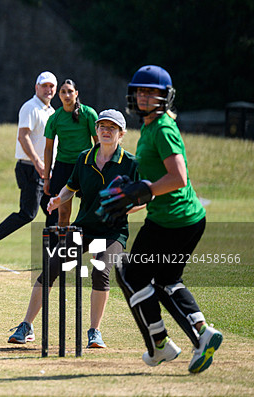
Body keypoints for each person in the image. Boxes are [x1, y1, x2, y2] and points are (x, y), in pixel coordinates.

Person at [98, 65, 221, 373]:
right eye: (140, 91)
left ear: (165, 97)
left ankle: (160, 345)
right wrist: (130, 200)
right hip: (184, 219)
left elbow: (178, 177)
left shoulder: (163, 128)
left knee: (130, 275)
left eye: (150, 92)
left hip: (172, 221)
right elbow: (151, 187)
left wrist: (146, 189)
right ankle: (201, 332)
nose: (143, 96)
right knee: (166, 280)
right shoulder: (152, 126)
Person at [7, 109, 139, 348]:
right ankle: (26, 325)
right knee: (52, 268)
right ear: (96, 131)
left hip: (113, 232)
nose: (106, 131)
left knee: (101, 270)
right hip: (84, 228)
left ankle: (94, 332)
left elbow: (145, 198)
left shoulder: (131, 163)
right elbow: (71, 186)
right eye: (102, 127)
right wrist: (59, 199)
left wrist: (124, 208)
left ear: (121, 134)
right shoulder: (84, 158)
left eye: (112, 128)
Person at [0, 71, 58, 264]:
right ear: (36, 88)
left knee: (54, 212)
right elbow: (23, 136)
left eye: (51, 86)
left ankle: (51, 260)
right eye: (44, 86)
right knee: (28, 213)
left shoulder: (51, 112)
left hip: (46, 171)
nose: (48, 90)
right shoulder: (30, 107)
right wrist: (37, 162)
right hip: (30, 168)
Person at [43, 79, 98, 226]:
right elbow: (48, 148)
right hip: (63, 167)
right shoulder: (54, 118)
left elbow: (98, 143)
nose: (67, 95)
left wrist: (99, 167)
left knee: (87, 212)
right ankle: (64, 246)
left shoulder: (89, 114)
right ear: (59, 95)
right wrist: (47, 178)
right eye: (63, 92)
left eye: (70, 91)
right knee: (63, 213)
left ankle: (87, 245)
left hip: (85, 165)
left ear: (76, 93)